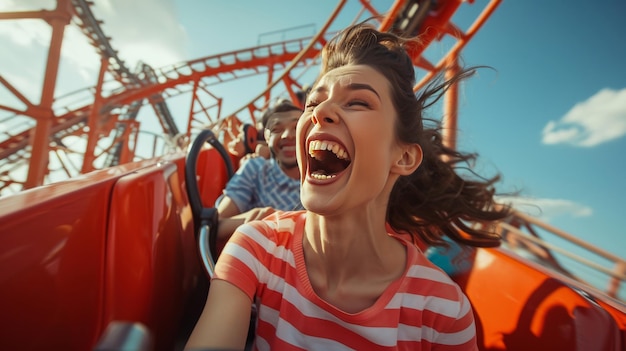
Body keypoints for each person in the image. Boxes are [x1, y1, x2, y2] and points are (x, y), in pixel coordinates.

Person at [186, 21, 511, 350]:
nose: (320, 111)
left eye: (358, 102)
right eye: (312, 104)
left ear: (404, 157)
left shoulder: (441, 309)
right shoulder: (258, 246)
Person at [215, 99, 304, 240]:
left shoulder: (326, 173)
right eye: (276, 129)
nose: (288, 135)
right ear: (267, 138)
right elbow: (216, 226)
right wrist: (257, 221)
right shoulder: (255, 169)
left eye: (297, 127)